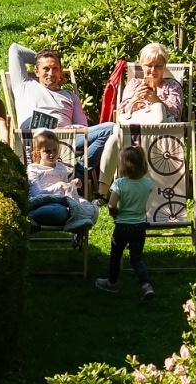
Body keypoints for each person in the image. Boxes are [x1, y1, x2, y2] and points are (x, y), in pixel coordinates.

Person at [87, 43, 184, 193]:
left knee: (157, 111)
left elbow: (176, 113)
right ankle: (102, 193)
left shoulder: (171, 86)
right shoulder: (134, 84)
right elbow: (121, 112)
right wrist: (134, 99)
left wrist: (156, 101)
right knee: (113, 139)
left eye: (158, 66)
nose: (153, 70)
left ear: (165, 66)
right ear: (141, 65)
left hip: (161, 137)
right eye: (149, 65)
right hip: (133, 135)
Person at [95, 146, 154, 299]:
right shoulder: (147, 183)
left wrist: (113, 213)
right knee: (136, 258)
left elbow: (112, 204)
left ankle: (112, 283)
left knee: (116, 255)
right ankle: (146, 285)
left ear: (124, 166)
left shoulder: (120, 184)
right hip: (139, 226)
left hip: (122, 227)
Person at [17, 49, 89, 133]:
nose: (51, 73)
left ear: (61, 71)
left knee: (107, 129)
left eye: (55, 69)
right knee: (106, 130)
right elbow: (15, 50)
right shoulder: (25, 85)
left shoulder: (71, 96)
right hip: (37, 139)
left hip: (69, 139)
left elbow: (83, 127)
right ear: (37, 72)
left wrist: (69, 128)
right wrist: (39, 59)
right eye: (46, 68)